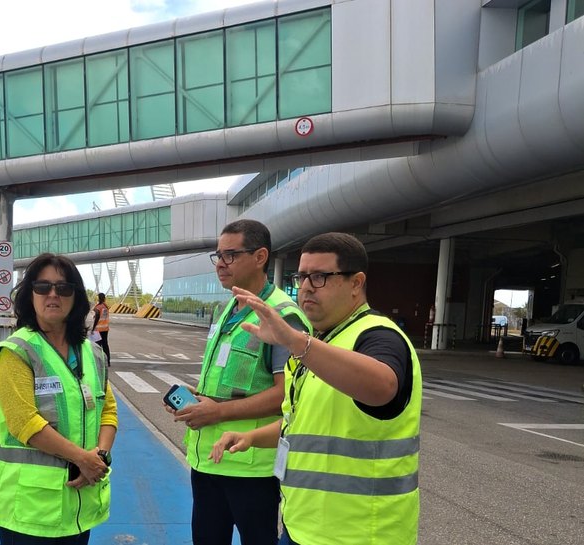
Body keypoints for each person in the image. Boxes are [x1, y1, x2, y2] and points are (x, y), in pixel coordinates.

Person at [211, 232, 422, 545]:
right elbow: (306, 424)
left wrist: (295, 342)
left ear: (356, 283)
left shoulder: (378, 335)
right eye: (303, 276)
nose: (306, 285)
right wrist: (252, 437)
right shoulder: (325, 342)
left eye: (320, 276)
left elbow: (383, 387)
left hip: (361, 533)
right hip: (303, 526)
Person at [168, 219, 311, 545]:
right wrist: (198, 398)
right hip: (208, 462)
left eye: (230, 255)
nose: (220, 264)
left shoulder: (281, 315)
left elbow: (284, 395)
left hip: (250, 469)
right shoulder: (229, 308)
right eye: (217, 255)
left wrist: (217, 413)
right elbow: (228, 381)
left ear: (260, 256)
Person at [0, 253, 117, 544]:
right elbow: (24, 423)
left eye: (63, 288)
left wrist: (99, 457)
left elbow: (108, 410)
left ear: (76, 297)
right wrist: (83, 459)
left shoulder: (92, 354)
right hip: (29, 509)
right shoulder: (15, 352)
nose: (53, 294)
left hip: (79, 502)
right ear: (30, 295)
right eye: (43, 287)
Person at [91, 293, 111, 365]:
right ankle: (107, 360)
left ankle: (99, 361)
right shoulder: (106, 306)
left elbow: (96, 317)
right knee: (105, 344)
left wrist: (93, 328)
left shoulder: (98, 307)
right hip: (105, 328)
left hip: (98, 329)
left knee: (97, 346)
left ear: (98, 298)